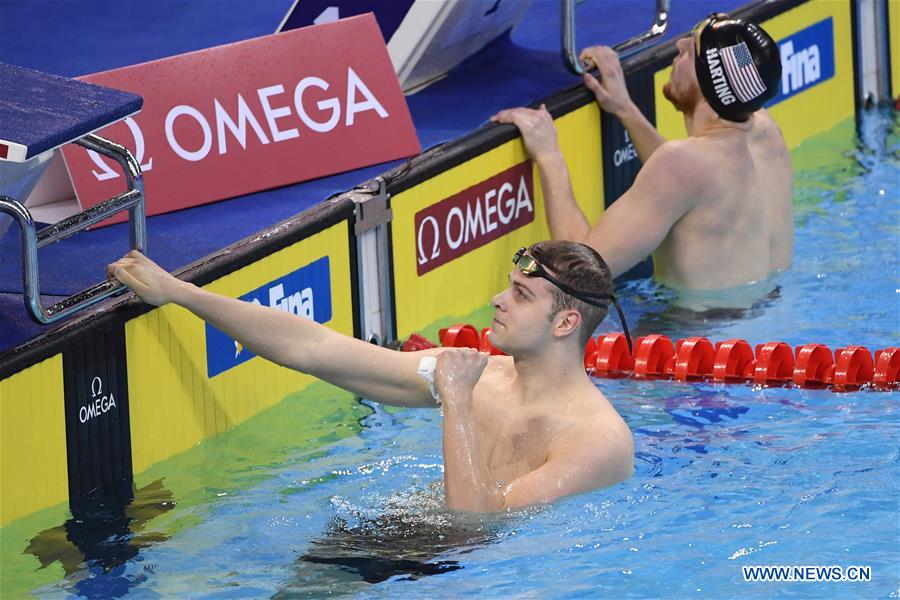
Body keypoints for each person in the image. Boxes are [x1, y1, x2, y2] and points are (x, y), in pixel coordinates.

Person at [108, 240, 634, 513]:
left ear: (566, 322)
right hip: (406, 544)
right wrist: (182, 293)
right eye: (508, 285)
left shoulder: (597, 441)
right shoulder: (483, 377)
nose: (498, 298)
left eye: (521, 295)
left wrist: (454, 400)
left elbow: (476, 526)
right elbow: (314, 348)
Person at [491, 14, 793, 293]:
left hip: (700, 340)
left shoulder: (682, 164)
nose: (678, 44)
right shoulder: (766, 132)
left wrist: (549, 156)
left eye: (690, 51)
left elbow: (578, 276)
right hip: (770, 334)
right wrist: (625, 109)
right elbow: (693, 184)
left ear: (709, 84)